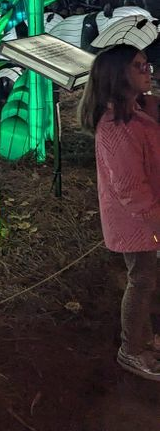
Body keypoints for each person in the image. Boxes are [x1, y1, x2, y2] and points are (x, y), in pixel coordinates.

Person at [79, 45, 160, 380]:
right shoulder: (116, 127)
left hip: (149, 216)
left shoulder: (136, 111)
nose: (148, 70)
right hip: (137, 222)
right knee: (141, 280)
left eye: (147, 64)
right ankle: (131, 349)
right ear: (118, 76)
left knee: (148, 278)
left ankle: (144, 336)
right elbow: (130, 191)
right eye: (139, 66)